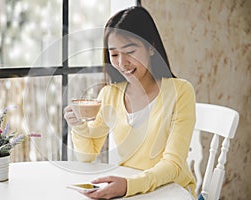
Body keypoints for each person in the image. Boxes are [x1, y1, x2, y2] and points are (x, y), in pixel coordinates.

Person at [64, 6, 196, 199]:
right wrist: (79, 126)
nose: (122, 63)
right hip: (133, 193)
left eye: (130, 51)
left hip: (172, 191)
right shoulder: (110, 94)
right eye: (114, 54)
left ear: (151, 47)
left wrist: (128, 186)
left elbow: (173, 165)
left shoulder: (180, 91)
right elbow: (88, 156)